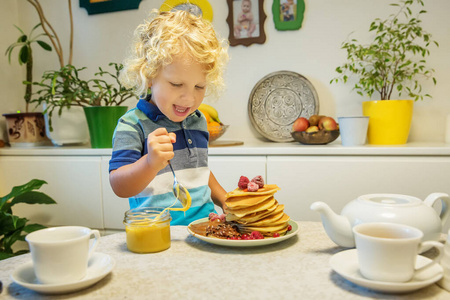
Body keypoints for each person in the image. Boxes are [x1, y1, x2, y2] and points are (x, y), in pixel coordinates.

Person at [109, 9, 229, 225]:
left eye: (199, 86)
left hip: (205, 229)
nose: (189, 98)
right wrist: (150, 163)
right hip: (158, 234)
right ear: (149, 76)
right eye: (176, 84)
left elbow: (198, 172)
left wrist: (225, 199)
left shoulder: (198, 121)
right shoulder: (132, 125)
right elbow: (119, 186)